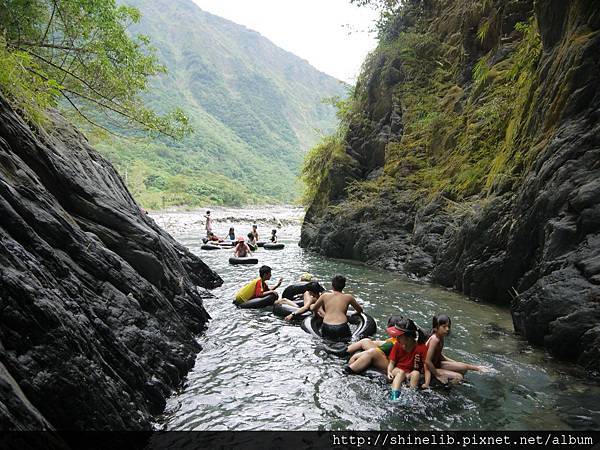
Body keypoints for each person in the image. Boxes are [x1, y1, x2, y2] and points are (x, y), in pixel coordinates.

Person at [425, 314, 488, 385]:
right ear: (436, 328)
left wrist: (476, 368)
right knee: (459, 377)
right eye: (444, 327)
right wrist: (437, 375)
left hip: (436, 364)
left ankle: (478, 368)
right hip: (428, 368)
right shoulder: (434, 340)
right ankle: (446, 387)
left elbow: (439, 356)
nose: (447, 329)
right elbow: (427, 361)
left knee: (463, 368)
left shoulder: (441, 337)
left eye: (448, 326)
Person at [309, 275, 363, 341]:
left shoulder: (325, 296)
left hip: (327, 326)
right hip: (341, 327)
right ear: (344, 286)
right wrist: (354, 313)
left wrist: (314, 311)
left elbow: (314, 308)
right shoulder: (348, 297)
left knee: (326, 343)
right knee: (347, 343)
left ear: (332, 285)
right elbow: (360, 310)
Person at [387, 318, 430, 399]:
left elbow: (426, 367)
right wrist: (389, 371)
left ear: (408, 338)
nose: (397, 338)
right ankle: (394, 398)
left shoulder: (421, 348)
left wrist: (427, 383)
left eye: (399, 336)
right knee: (401, 372)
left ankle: (411, 397)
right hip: (398, 370)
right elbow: (392, 363)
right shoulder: (397, 345)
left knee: (416, 373)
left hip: (410, 373)